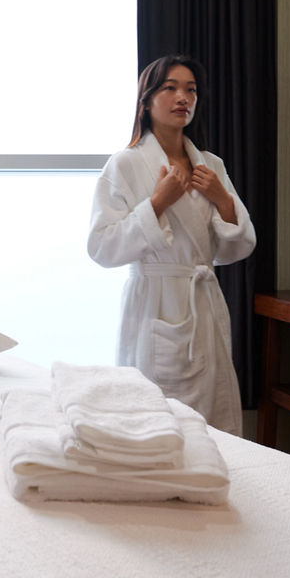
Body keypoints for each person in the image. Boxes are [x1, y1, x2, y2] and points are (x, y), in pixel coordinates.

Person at [87, 55, 256, 436]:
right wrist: (157, 203)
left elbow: (238, 247)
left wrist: (222, 198)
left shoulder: (211, 165)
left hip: (202, 301)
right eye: (171, 88)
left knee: (212, 417)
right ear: (146, 102)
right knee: (158, 419)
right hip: (155, 304)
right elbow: (101, 247)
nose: (184, 97)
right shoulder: (124, 165)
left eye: (191, 90)